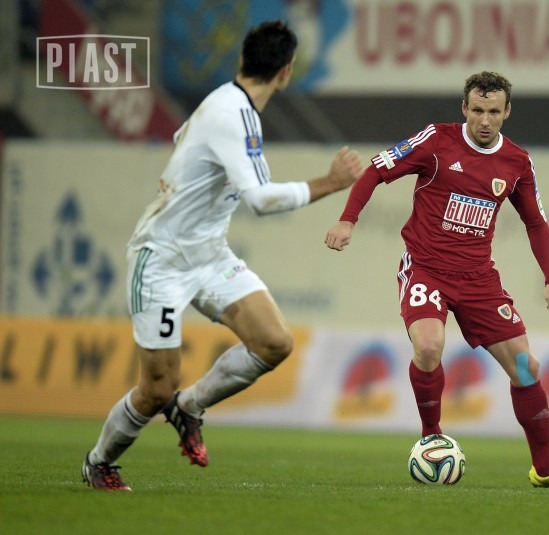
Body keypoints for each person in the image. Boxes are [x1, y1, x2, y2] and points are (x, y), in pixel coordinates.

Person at [82, 20, 363, 491]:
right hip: (162, 260)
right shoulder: (234, 114)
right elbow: (260, 200)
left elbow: (184, 141)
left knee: (274, 342)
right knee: (155, 389)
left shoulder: (224, 104)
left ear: (242, 61)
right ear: (286, 72)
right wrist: (330, 183)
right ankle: (99, 462)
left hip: (209, 256)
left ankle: (190, 406)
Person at [325, 71, 549, 491]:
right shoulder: (436, 141)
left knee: (527, 367)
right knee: (430, 346)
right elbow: (376, 169)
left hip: (478, 278)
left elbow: (536, 223)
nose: (485, 121)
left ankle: (544, 469)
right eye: (478, 110)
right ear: (464, 108)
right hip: (426, 268)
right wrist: (347, 219)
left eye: (494, 112)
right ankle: (432, 436)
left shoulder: (517, 162)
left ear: (507, 112)